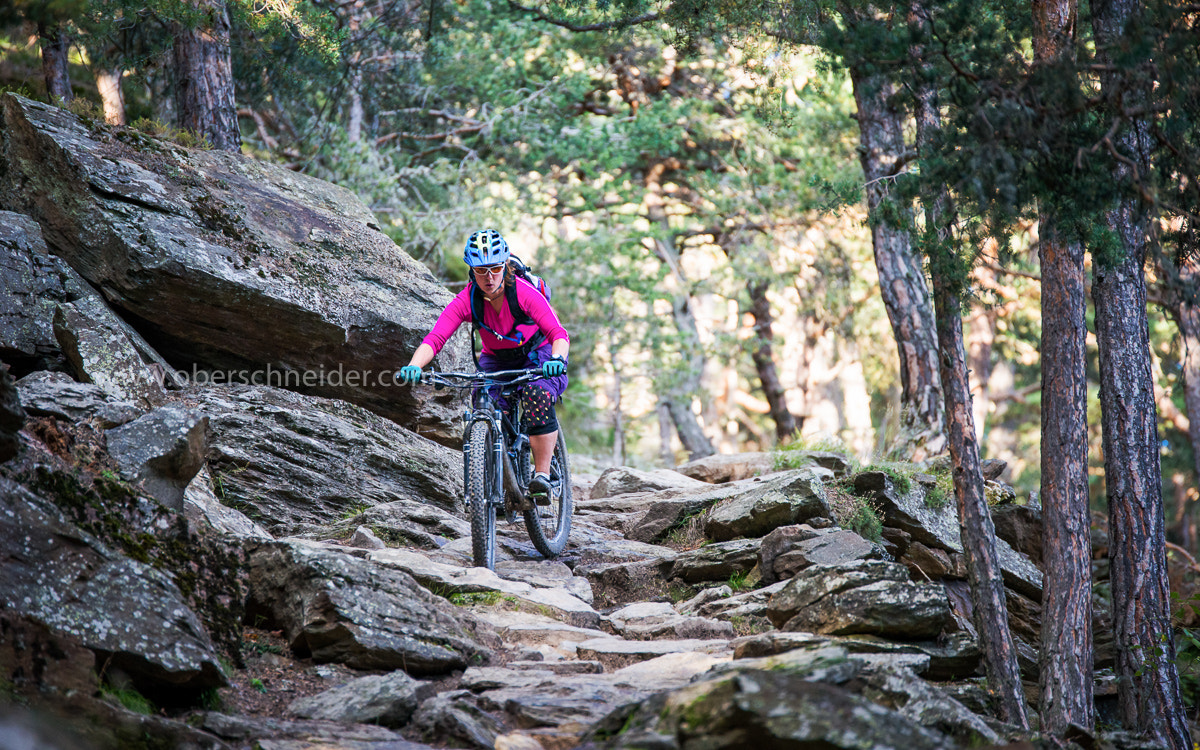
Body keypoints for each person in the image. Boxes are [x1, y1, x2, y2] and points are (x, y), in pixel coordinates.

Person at [397, 229, 569, 498]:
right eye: (481, 271)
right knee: (485, 404)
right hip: (496, 357)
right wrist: (414, 366)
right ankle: (492, 486)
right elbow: (436, 337)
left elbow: (558, 334)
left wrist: (557, 359)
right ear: (471, 271)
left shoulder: (523, 293)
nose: (489, 277)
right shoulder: (467, 300)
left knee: (537, 394)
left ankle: (542, 475)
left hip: (539, 352)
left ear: (505, 267)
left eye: (495, 268)